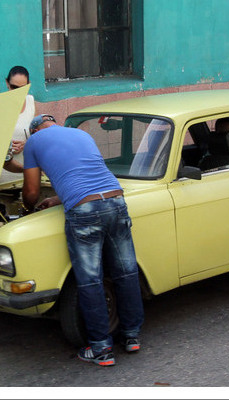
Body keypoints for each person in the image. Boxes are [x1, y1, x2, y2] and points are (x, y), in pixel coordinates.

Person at [21, 114, 144, 367]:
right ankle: (132, 336)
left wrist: (27, 208)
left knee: (90, 281)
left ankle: (101, 349)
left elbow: (32, 191)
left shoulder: (34, 142)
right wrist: (58, 198)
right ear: (55, 124)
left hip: (84, 212)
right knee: (126, 272)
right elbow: (86, 175)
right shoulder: (82, 134)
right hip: (115, 199)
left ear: (33, 131)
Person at [0, 66, 35, 182]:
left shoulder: (31, 102)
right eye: (14, 87)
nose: (18, 92)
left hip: (26, 171)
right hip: (4, 174)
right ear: (7, 83)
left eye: (23, 88)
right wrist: (8, 147)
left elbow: (38, 136)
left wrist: (26, 144)